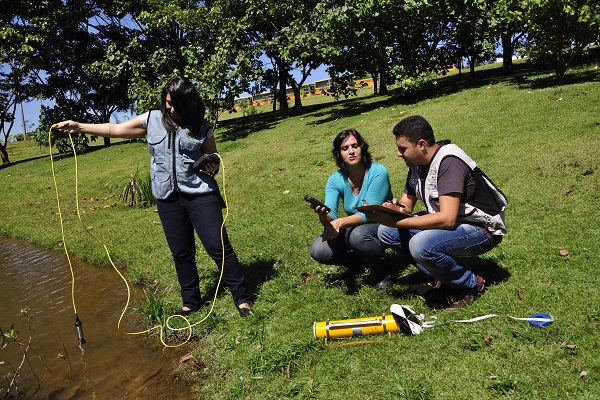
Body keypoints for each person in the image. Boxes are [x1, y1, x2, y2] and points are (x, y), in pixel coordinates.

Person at [54, 76, 252, 318]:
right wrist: (79, 126)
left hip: (201, 193)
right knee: (181, 252)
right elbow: (114, 129)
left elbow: (213, 157)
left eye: (175, 103)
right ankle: (190, 302)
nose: (169, 108)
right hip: (167, 198)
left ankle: (241, 298)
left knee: (217, 245)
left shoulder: (202, 125)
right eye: (167, 102)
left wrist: (211, 165)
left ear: (188, 102)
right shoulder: (152, 120)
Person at [363, 115, 507, 307]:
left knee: (420, 245)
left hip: (482, 229)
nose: (398, 154)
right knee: (386, 232)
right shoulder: (417, 165)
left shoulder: (449, 162)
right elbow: (407, 205)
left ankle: (471, 283)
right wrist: (394, 209)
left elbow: (446, 219)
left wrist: (397, 221)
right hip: (455, 223)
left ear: (421, 144)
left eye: (402, 148)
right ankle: (444, 277)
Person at [309, 128, 395, 290]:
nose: (351, 151)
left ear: (362, 147)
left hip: (383, 223)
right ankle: (359, 262)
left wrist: (341, 222)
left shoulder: (378, 172)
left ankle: (385, 273)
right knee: (318, 250)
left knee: (358, 235)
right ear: (339, 153)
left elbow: (370, 213)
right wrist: (324, 217)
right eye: (345, 148)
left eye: (355, 146)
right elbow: (332, 215)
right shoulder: (335, 179)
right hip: (354, 225)